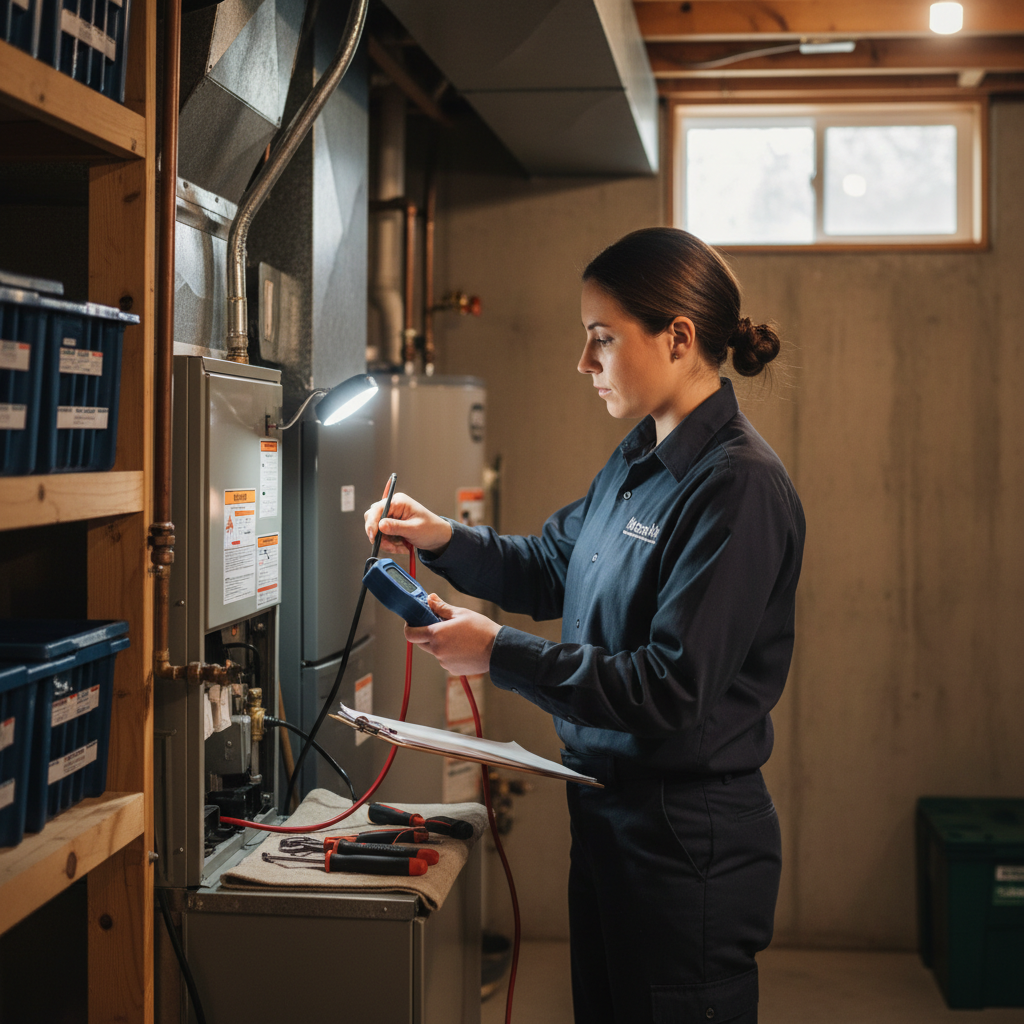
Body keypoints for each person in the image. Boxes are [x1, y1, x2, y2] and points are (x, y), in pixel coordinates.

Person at [364, 227, 805, 1024]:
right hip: (608, 817)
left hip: (685, 840)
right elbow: (551, 564)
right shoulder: (639, 459)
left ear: (677, 338)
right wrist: (440, 537)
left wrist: (499, 652)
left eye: (601, 339)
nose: (584, 363)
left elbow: (669, 688)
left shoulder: (738, 487)